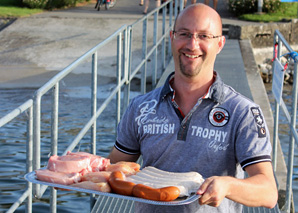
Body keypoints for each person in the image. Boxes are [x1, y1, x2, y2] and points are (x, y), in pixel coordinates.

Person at [108, 3, 278, 213]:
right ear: (172, 37)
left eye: (204, 36)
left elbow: (268, 192)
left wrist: (228, 185)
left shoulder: (242, 112)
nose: (192, 44)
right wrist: (79, 167)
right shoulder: (141, 107)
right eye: (184, 34)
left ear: (220, 44)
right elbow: (114, 168)